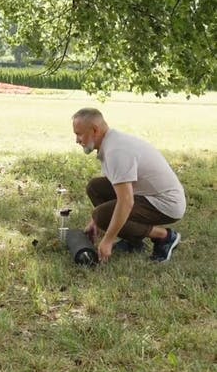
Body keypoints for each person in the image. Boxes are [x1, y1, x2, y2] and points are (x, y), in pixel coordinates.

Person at [72, 108, 186, 264]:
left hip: (167, 203)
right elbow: (117, 187)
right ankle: (134, 241)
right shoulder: (111, 142)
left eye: (79, 134)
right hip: (146, 194)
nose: (77, 140)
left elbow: (126, 201)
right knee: (95, 187)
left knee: (102, 215)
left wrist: (107, 239)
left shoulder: (116, 151)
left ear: (94, 130)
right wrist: (95, 223)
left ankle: (165, 237)